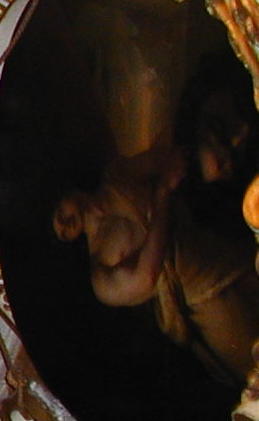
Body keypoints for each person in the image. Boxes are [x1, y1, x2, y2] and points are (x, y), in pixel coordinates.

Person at [52, 149, 259, 387]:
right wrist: (161, 197)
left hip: (223, 255)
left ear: (65, 193)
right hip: (208, 301)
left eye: (58, 212)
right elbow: (146, 278)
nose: (64, 224)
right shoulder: (101, 272)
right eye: (61, 233)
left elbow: (172, 156)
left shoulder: (118, 176)